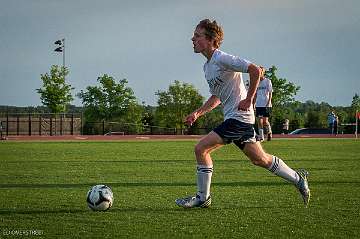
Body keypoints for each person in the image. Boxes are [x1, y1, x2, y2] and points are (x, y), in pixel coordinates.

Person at [175, 19, 310, 208]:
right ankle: (298, 179)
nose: (192, 39)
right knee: (260, 159)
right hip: (237, 119)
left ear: (211, 40)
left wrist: (249, 99)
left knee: (201, 149)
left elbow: (255, 70)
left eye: (197, 36)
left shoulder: (222, 58)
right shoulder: (207, 67)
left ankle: (202, 198)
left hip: (238, 118)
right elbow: (217, 97)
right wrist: (197, 113)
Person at [254, 67, 273, 141]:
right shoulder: (256, 82)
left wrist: (268, 102)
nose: (259, 73)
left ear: (263, 73)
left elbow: (270, 92)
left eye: (260, 72)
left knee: (265, 121)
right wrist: (253, 104)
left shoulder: (268, 81)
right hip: (258, 104)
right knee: (259, 121)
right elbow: (255, 94)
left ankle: (269, 133)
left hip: (266, 104)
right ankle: (261, 137)